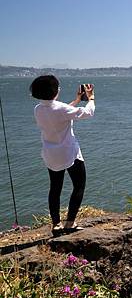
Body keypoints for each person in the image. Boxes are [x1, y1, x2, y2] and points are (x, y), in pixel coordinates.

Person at [29, 75, 95, 235]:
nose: (59, 89)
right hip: (69, 153)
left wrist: (77, 100)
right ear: (54, 91)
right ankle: (70, 223)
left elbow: (62, 111)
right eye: (57, 87)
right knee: (79, 186)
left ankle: (56, 224)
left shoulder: (38, 109)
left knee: (55, 188)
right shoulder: (61, 109)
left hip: (50, 154)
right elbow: (87, 113)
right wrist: (91, 98)